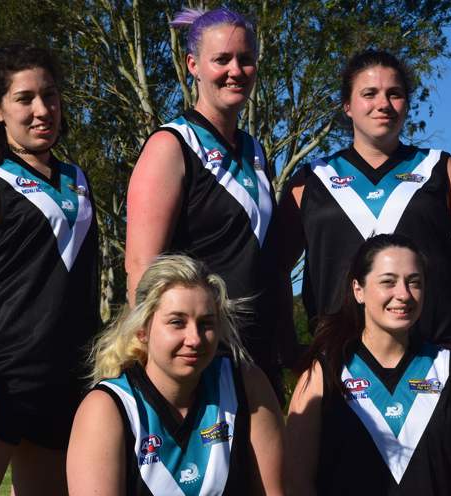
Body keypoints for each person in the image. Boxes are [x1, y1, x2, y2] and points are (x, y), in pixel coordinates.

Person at [277, 50, 451, 369]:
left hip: (429, 367)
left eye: (395, 94)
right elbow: (273, 267)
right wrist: (287, 346)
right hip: (337, 366)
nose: (383, 104)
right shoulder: (311, 179)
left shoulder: (439, 169)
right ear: (347, 105)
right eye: (369, 94)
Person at [0, 44, 99, 495]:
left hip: (67, 385)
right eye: (24, 98)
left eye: (50, 95)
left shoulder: (78, 179)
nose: (42, 109)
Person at [125, 8, 281, 396]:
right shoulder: (171, 145)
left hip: (256, 357)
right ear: (193, 64)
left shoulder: (256, 151)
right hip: (197, 358)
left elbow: (266, 258)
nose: (236, 70)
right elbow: (141, 266)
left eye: (246, 60)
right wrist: (149, 359)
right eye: (222, 60)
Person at [67, 254, 286, 495]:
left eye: (205, 323)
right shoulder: (107, 408)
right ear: (142, 331)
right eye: (177, 322)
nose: (194, 339)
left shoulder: (247, 384)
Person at [287, 234, 451, 495]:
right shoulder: (323, 372)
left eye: (415, 282)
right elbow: (298, 482)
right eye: (388, 282)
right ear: (359, 290)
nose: (403, 294)